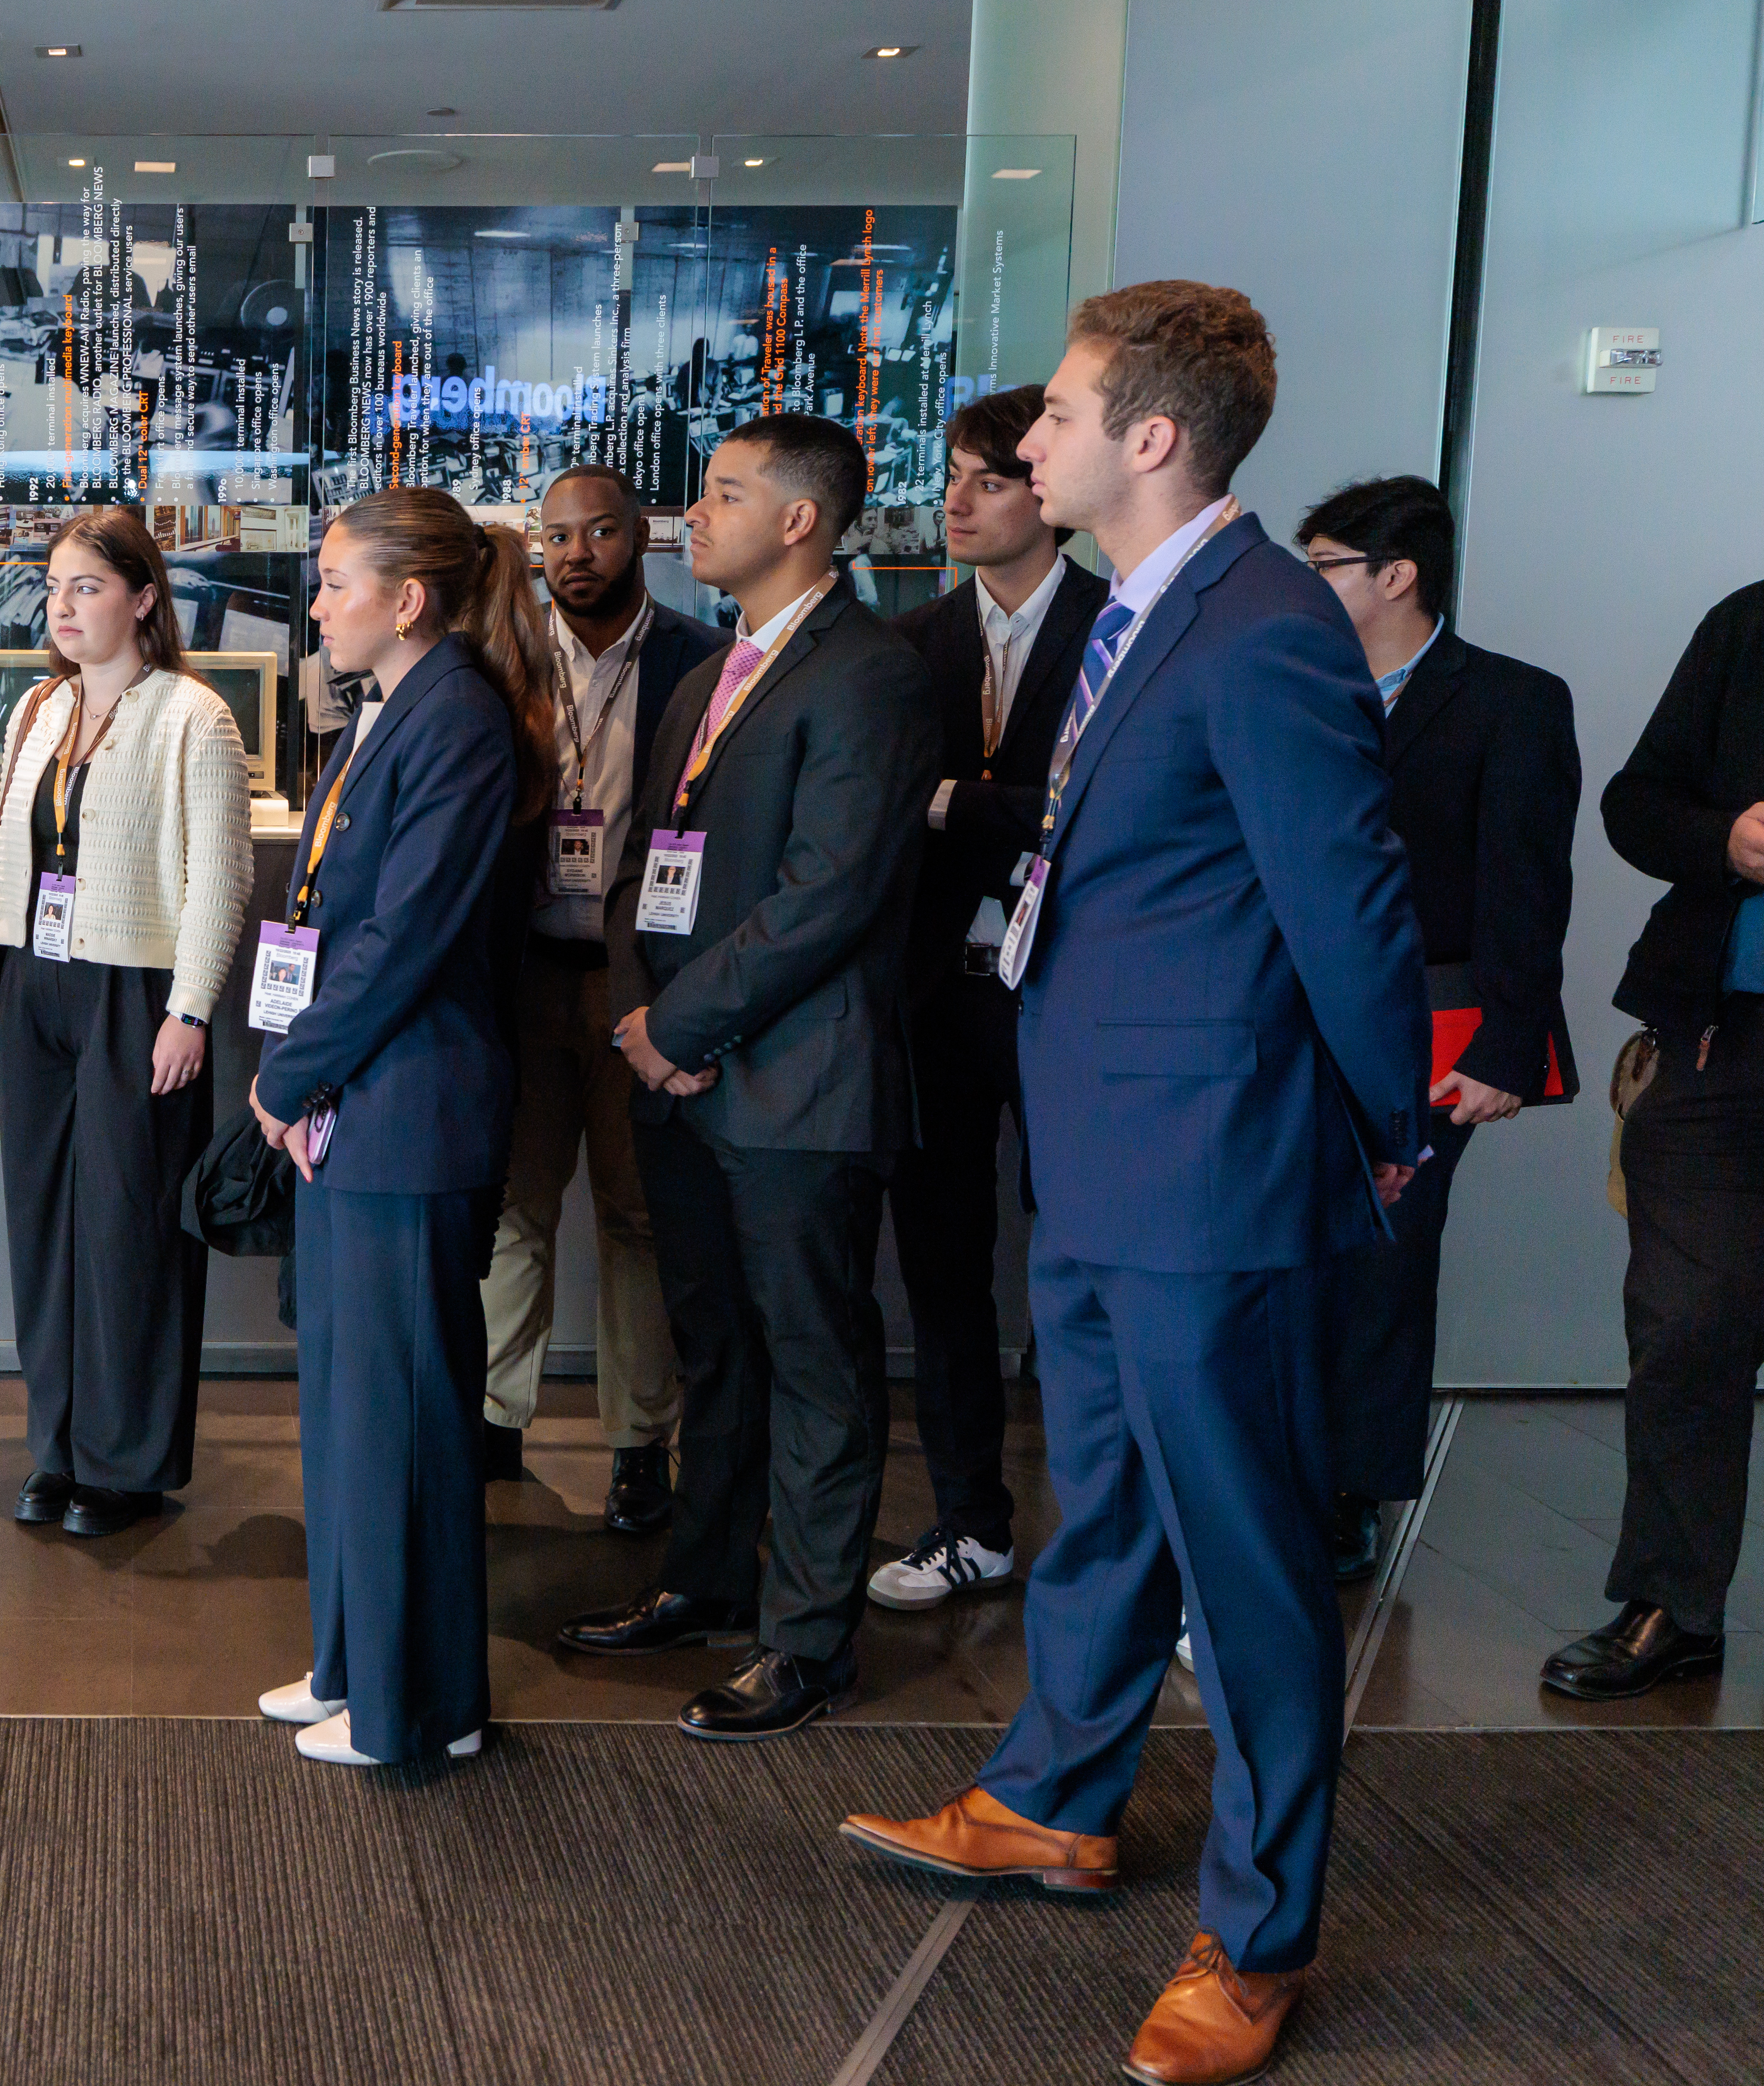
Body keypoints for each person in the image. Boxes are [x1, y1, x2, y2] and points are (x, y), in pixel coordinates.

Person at [838, 282, 1430, 2086]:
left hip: (1215, 1172)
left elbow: (1351, 909)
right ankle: (1054, 1797)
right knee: (1098, 1497)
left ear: (1151, 438)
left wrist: (1387, 1126)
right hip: (1100, 1154)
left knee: (1244, 1563)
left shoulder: (1261, 630)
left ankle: (1261, 1932)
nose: (1032, 443)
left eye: (1069, 412)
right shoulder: (1145, 618)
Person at [550, 416, 939, 1742]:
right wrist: (638, 1010)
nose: (685, 519)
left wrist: (680, 1026)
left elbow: (826, 896)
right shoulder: (710, 668)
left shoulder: (869, 675)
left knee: (815, 1361)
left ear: (799, 523)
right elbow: (638, 868)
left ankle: (807, 1641)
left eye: (719, 497)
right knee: (715, 1346)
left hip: (794, 1080)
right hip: (681, 1068)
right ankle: (705, 1583)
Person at [247, 485, 555, 1768]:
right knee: (347, 1404)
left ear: (408, 599)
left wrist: (287, 1075)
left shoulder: (461, 722)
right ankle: (351, 1660)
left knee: (408, 1417)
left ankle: (419, 1706)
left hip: (408, 1102)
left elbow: (402, 941)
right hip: (354, 1098)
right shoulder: (391, 714)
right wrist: (304, 1074)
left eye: (333, 581)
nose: (316, 604)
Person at [1298, 475, 1579, 1584]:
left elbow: (1527, 885)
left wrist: (1508, 1045)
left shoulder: (1508, 700)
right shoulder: (1297, 687)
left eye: (1324, 564)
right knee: (1294, 1246)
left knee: (1386, 1252)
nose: (1307, 583)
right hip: (1291, 1012)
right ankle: (1281, 1461)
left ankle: (1352, 1486)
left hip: (1436, 1015)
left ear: (1395, 576)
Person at [0, 507, 253, 1538]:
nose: (64, 604)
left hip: (138, 991)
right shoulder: (41, 709)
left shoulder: (193, 715)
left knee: (129, 1226)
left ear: (142, 597)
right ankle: (59, 1444)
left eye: (87, 585)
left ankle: (125, 1462)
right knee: (42, 1220)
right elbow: (16, 853)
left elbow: (221, 879)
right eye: (54, 586)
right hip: (38, 982)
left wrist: (190, 1009)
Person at [875, 385, 1110, 1612]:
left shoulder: (1117, 626)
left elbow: (1100, 824)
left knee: (1083, 1267)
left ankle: (1109, 1543)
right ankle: (971, 1519)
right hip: (934, 987)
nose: (958, 501)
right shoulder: (909, 644)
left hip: (1071, 985)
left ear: (1047, 494)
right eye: (951, 476)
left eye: (989, 478)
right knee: (942, 1265)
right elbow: (878, 816)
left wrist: (959, 806)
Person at [477, 463, 722, 1529]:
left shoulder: (697, 662)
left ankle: (637, 1444)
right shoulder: (504, 658)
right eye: (558, 537)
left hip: (637, 989)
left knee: (636, 1218)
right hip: (526, 973)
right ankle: (491, 1422)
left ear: (641, 536)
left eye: (600, 533)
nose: (575, 554)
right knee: (515, 1207)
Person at [1550, 580, 1764, 1699]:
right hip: (1719, 1044)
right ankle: (1674, 1606)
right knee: (1685, 1323)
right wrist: (1723, 838)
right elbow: (1638, 804)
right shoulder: (1750, 622)